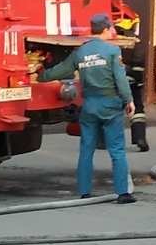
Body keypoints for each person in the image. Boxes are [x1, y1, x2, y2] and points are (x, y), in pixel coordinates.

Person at [32, 13, 137, 203]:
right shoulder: (112, 52)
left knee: (86, 150)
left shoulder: (80, 52)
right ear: (105, 30)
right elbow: (120, 80)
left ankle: (84, 193)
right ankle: (122, 193)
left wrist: (40, 75)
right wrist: (129, 100)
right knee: (117, 150)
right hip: (110, 105)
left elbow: (60, 70)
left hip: (89, 105)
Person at [113, 11, 150, 152]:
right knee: (138, 111)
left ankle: (104, 141)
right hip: (133, 83)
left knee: (112, 112)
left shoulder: (111, 41)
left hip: (115, 84)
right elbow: (139, 66)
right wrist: (136, 82)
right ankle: (140, 139)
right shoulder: (136, 43)